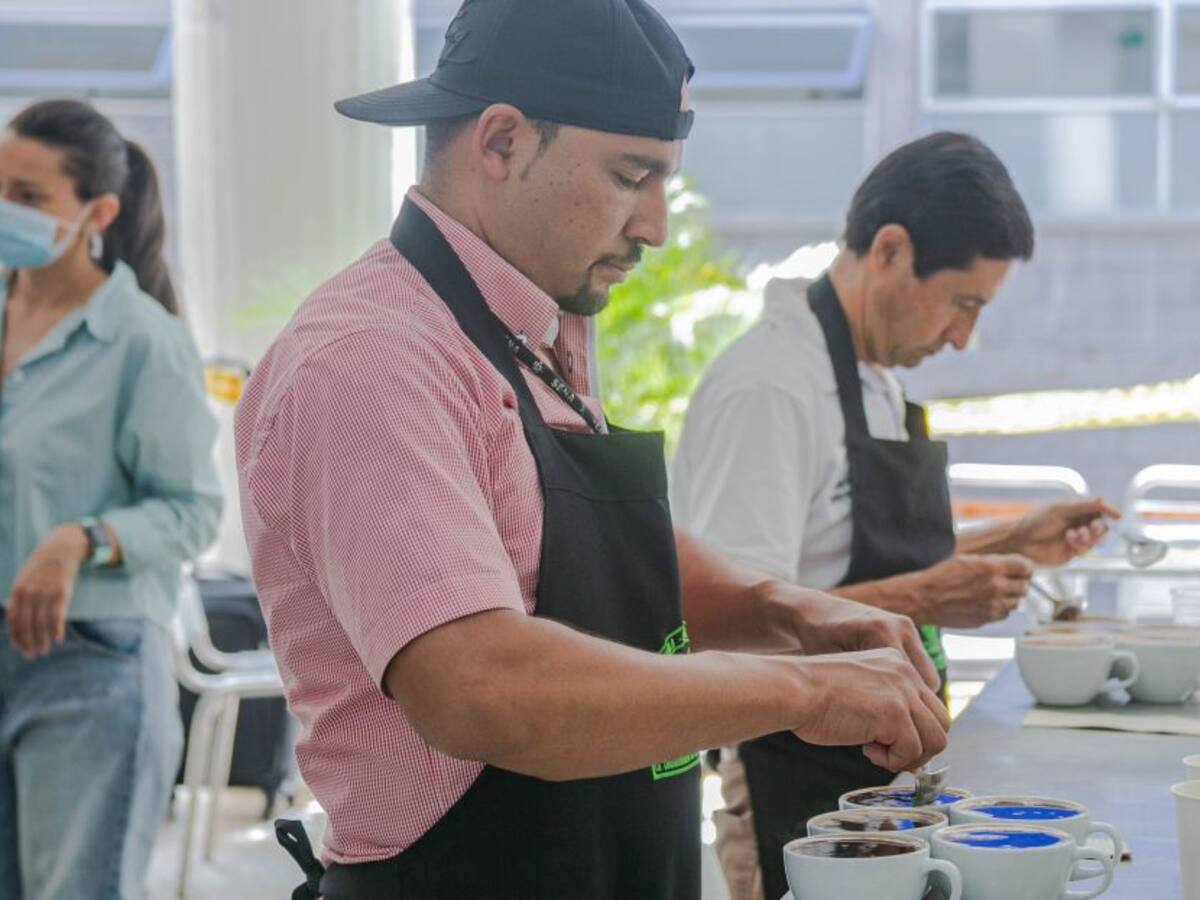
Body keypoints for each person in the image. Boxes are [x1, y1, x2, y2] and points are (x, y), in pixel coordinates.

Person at [235, 2, 950, 898]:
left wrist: (790, 614)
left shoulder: (542, 321)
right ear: (500, 141)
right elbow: (478, 688)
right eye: (630, 175)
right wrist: (801, 692)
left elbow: (577, 564)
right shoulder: (372, 357)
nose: (654, 224)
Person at [671, 131, 1118, 900]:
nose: (962, 336)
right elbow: (726, 626)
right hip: (794, 783)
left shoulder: (873, 375)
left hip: (882, 774)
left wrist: (1017, 538)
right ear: (889, 250)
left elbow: (845, 559)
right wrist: (929, 598)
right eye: (961, 302)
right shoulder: (772, 388)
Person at [0, 99, 222, 899]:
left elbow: (194, 509)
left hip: (88, 665)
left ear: (97, 212)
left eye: (28, 198)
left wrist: (79, 540)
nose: (4, 210)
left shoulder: (141, 341)